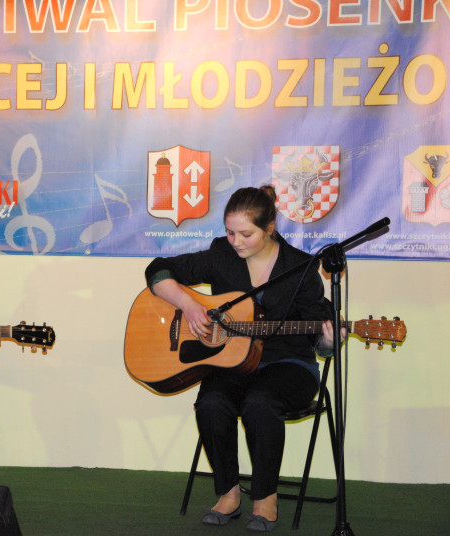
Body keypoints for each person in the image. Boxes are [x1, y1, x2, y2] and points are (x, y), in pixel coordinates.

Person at [144, 185, 339, 532]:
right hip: (233, 361)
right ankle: (229, 494)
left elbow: (320, 344)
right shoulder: (222, 254)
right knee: (211, 402)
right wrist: (189, 305)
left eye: (246, 234)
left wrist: (328, 340)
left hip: (289, 363)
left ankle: (265, 498)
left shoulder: (300, 268)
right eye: (230, 232)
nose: (235, 242)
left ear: (270, 228)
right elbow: (158, 270)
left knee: (260, 402)